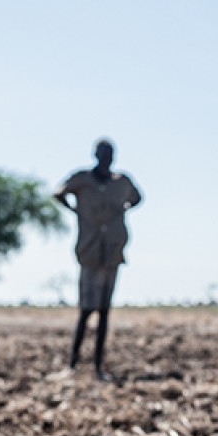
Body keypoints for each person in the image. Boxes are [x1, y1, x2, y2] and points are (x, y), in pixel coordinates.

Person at [54, 139, 142, 380]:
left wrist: (121, 210)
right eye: (102, 154)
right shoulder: (82, 179)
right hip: (90, 250)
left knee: (104, 311)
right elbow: (58, 192)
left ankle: (98, 367)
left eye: (110, 154)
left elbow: (137, 198)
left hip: (112, 251)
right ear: (95, 155)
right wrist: (77, 211)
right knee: (86, 310)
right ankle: (72, 365)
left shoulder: (121, 182)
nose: (106, 158)